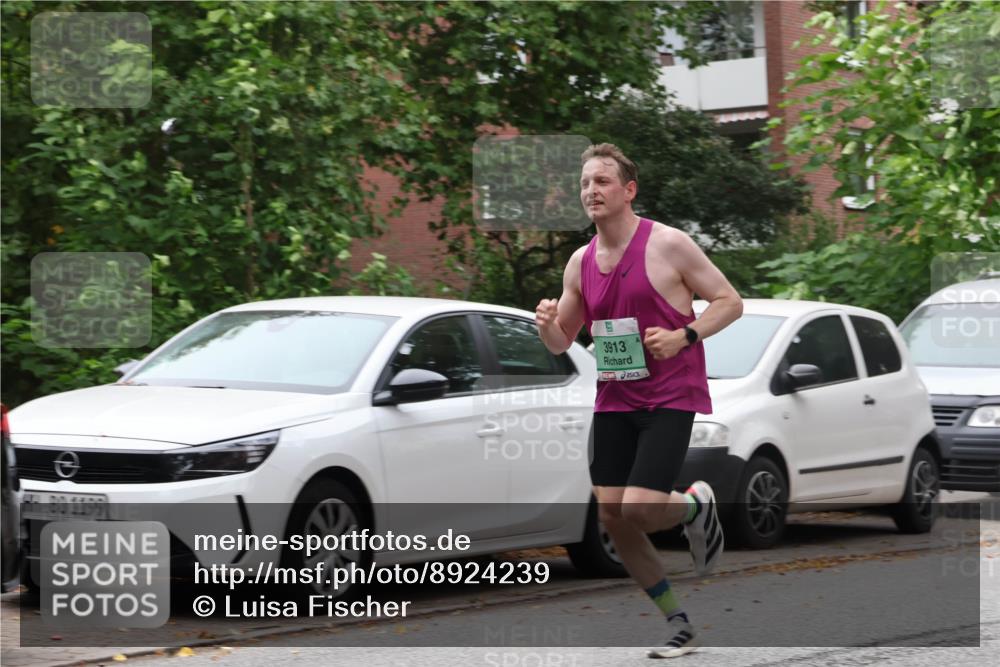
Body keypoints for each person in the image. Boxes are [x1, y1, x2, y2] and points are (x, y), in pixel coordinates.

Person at [535, 143, 742, 658]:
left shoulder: (669, 245)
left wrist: (684, 337)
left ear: (629, 191)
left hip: (670, 394)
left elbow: (729, 302)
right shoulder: (580, 263)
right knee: (613, 516)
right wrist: (546, 328)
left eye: (602, 181)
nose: (591, 191)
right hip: (615, 396)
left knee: (642, 508)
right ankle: (680, 623)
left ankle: (696, 505)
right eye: (585, 183)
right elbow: (564, 340)